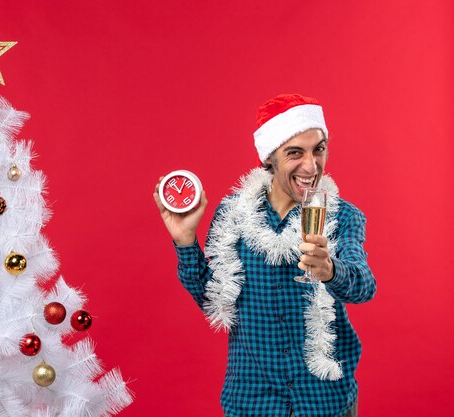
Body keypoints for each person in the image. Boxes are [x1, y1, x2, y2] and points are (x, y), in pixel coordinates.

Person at [153, 94, 376, 417]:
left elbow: (364, 287)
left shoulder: (343, 216)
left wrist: (330, 270)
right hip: (253, 401)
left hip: (325, 401)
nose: (311, 166)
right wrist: (186, 241)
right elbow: (215, 300)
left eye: (319, 149)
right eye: (295, 153)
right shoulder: (233, 216)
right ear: (269, 158)